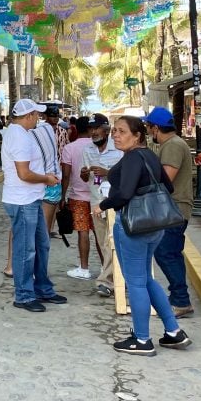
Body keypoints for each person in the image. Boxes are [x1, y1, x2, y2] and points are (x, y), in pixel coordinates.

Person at [100, 115, 192, 355]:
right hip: (155, 226)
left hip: (133, 225)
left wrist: (102, 205)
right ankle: (173, 331)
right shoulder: (151, 155)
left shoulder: (132, 158)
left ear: (137, 135)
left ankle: (142, 339)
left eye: (121, 131)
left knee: (136, 283)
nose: (115, 135)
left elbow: (125, 194)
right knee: (148, 280)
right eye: (113, 131)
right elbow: (168, 187)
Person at [0, 98, 67, 312]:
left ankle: (41, 288)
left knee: (41, 244)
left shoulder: (21, 133)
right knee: (26, 249)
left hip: (30, 199)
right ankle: (24, 294)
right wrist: (46, 179)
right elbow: (24, 173)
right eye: (36, 115)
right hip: (23, 200)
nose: (39, 118)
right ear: (28, 116)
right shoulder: (19, 137)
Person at [143, 107, 194, 319]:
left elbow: (165, 179)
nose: (147, 132)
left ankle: (181, 300)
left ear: (156, 128)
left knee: (165, 253)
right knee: (171, 253)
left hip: (174, 209)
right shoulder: (172, 144)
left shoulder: (172, 146)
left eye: (148, 128)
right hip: (174, 208)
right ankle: (179, 299)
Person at [79, 114, 123, 296]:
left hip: (114, 200)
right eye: (90, 129)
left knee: (111, 241)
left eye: (96, 128)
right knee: (103, 242)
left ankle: (106, 281)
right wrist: (84, 173)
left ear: (106, 130)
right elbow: (85, 178)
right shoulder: (87, 149)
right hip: (96, 199)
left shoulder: (119, 149)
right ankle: (117, 278)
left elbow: (127, 174)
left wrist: (108, 172)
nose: (93, 132)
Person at [60, 116, 96, 279]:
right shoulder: (96, 146)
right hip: (97, 196)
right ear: (90, 129)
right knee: (100, 234)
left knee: (83, 232)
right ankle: (106, 268)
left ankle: (84, 268)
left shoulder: (69, 148)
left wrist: (62, 196)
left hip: (78, 196)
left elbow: (66, 175)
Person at [39, 104, 66, 237]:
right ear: (46, 117)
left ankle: (50, 227)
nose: (55, 119)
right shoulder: (39, 130)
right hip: (46, 172)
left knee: (55, 202)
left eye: (56, 116)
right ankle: (45, 230)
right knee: (47, 201)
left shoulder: (62, 131)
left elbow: (65, 148)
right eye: (52, 116)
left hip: (59, 169)